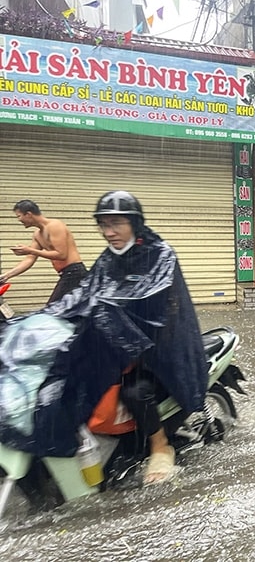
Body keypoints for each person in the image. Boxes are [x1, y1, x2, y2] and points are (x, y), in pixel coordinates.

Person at [38, 190, 208, 485]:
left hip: (160, 350)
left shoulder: (161, 255)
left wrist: (107, 311)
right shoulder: (108, 259)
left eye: (116, 224)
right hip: (121, 343)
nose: (109, 232)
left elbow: (147, 297)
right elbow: (85, 292)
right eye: (104, 225)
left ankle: (159, 445)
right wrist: (46, 316)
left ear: (135, 222)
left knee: (132, 392)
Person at [0, 200, 87, 303]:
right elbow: (29, 259)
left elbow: (61, 254)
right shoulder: (37, 234)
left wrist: (30, 250)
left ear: (28, 214)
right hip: (65, 274)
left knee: (53, 308)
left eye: (19, 216)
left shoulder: (55, 225)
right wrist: (6, 276)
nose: (19, 220)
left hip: (75, 272)